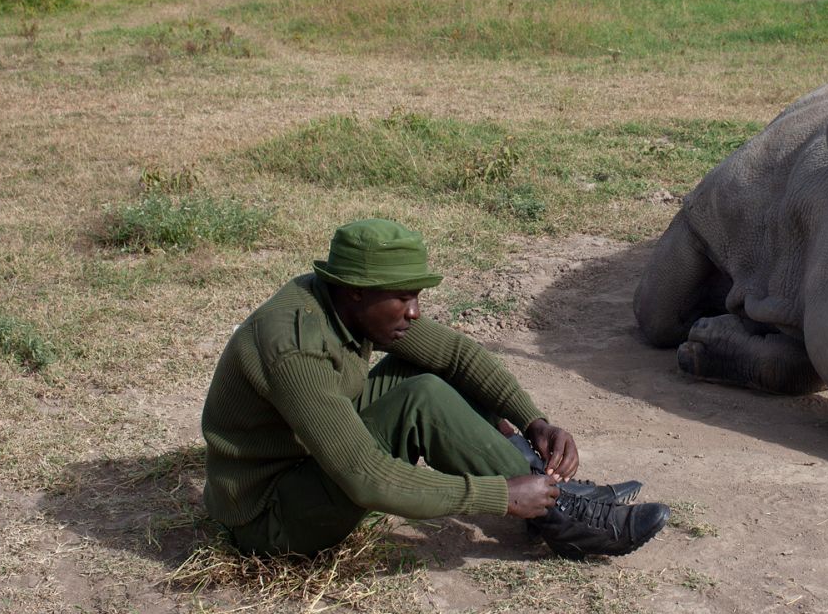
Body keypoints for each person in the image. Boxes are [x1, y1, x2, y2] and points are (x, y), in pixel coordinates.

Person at [201, 218, 669, 559]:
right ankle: (559, 516)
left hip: (309, 453)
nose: (415, 312)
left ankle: (545, 488)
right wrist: (499, 495)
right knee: (421, 397)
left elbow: (459, 357)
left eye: (417, 297)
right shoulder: (297, 347)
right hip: (270, 518)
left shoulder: (347, 304)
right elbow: (365, 476)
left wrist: (535, 421)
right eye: (404, 298)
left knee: (436, 374)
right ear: (356, 291)